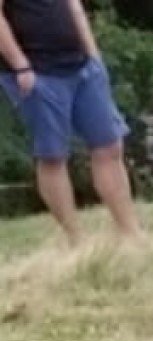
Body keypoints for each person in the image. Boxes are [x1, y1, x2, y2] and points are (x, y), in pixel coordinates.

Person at [0, 0, 142, 243]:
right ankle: (77, 239)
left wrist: (94, 56)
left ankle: (130, 232)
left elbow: (73, 5)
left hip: (82, 65)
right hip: (37, 72)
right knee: (53, 156)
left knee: (109, 146)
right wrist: (21, 65)